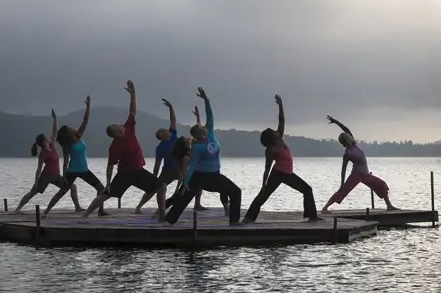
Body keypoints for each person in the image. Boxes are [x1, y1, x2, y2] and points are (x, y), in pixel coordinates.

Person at [82, 80, 167, 220]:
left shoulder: (129, 127)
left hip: (139, 171)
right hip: (124, 174)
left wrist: (133, 94)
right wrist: (108, 184)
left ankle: (162, 215)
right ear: (116, 133)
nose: (123, 125)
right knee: (106, 193)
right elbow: (110, 166)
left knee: (161, 187)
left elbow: (133, 111)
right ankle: (86, 214)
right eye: (119, 126)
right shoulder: (115, 146)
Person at [163, 87, 243, 226]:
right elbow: (193, 164)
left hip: (215, 175)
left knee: (235, 191)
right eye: (201, 128)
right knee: (184, 196)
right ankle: (169, 221)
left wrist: (206, 100)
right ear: (197, 134)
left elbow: (210, 115)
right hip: (199, 176)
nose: (204, 127)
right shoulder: (197, 147)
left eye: (203, 126)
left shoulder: (210, 134)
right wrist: (186, 182)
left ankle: (234, 221)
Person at [243, 95, 319, 223]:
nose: (275, 130)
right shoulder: (271, 151)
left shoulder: (280, 137)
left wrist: (280, 105)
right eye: (273, 131)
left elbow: (282, 120)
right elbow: (267, 169)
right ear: (271, 137)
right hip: (277, 174)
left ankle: (312, 216)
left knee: (307, 189)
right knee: (263, 195)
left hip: (287, 174)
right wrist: (263, 185)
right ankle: (249, 218)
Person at [321, 115, 398, 212]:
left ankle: (389, 206)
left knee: (382, 184)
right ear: (346, 140)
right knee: (343, 191)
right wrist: (342, 183)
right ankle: (325, 208)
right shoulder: (347, 153)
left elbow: (346, 129)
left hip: (365, 174)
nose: (349, 135)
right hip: (356, 175)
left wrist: (336, 122)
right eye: (347, 136)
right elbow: (343, 170)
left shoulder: (354, 143)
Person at [14, 109, 80, 216]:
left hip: (56, 176)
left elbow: (54, 131)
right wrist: (36, 182)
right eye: (46, 137)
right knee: (33, 193)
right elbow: (39, 168)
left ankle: (77, 207)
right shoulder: (43, 153)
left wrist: (55, 119)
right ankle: (17, 209)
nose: (49, 138)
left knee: (73, 187)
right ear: (44, 141)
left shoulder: (52, 146)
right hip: (46, 176)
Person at [56, 95, 107, 217]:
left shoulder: (78, 136)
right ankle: (46, 211)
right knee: (62, 192)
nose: (73, 128)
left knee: (101, 188)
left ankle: (100, 210)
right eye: (70, 128)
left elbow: (85, 120)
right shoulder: (67, 146)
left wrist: (88, 106)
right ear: (68, 133)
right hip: (72, 171)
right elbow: (65, 162)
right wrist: (64, 176)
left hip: (84, 170)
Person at [134, 98, 180, 213]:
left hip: (180, 168)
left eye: (165, 130)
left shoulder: (174, 136)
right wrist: (154, 177)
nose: (166, 131)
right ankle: (139, 207)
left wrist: (171, 108)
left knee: (194, 184)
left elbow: (173, 120)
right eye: (163, 132)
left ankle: (197, 204)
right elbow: (157, 163)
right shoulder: (160, 148)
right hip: (168, 171)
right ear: (161, 137)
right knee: (155, 189)